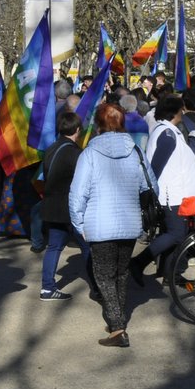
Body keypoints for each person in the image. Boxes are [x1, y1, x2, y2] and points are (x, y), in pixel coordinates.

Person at [67, 103, 156, 348]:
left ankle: (117, 327)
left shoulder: (89, 154)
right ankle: (116, 317)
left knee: (104, 275)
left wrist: (78, 222)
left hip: (99, 224)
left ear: (98, 124)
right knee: (121, 272)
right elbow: (150, 185)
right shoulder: (135, 151)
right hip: (129, 222)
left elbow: (77, 194)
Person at [129, 95, 195, 285]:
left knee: (175, 234)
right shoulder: (167, 135)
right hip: (172, 195)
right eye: (181, 109)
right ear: (175, 112)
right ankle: (138, 262)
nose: (183, 112)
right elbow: (156, 167)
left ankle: (170, 274)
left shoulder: (167, 131)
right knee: (177, 234)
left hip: (177, 194)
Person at [37, 110, 91, 300]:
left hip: (51, 205)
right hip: (69, 207)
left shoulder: (51, 148)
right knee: (87, 246)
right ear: (77, 130)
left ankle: (47, 287)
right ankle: (97, 286)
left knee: (53, 247)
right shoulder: (75, 153)